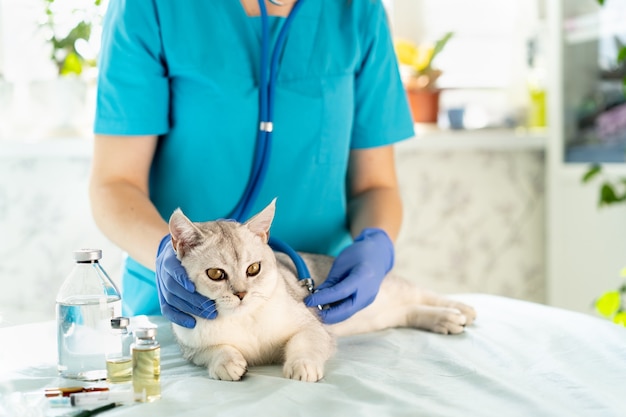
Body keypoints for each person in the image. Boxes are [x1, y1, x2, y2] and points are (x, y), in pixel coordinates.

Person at [89, 0, 415, 328]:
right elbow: (115, 183)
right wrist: (165, 252)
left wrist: (375, 245)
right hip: (188, 307)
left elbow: (375, 186)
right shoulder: (151, 7)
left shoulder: (358, 10)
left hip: (317, 302)